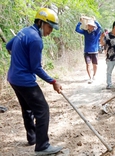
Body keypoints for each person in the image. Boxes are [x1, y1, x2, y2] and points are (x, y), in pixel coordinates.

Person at [5, 8, 63, 155]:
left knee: (27, 108)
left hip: (13, 78)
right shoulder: (36, 40)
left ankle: (32, 138)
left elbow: (8, 46)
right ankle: (42, 146)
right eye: (50, 27)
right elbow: (36, 67)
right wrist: (53, 81)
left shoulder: (24, 31)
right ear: (41, 22)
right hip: (25, 81)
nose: (51, 31)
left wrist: (20, 55)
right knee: (42, 110)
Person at [75, 16, 102, 84]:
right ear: (88, 26)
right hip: (87, 51)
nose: (91, 27)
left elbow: (100, 27)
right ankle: (90, 77)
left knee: (95, 65)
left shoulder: (96, 32)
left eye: (92, 26)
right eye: (90, 25)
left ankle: (94, 75)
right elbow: (77, 29)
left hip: (95, 51)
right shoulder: (85, 32)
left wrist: (95, 21)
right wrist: (80, 22)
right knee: (88, 64)